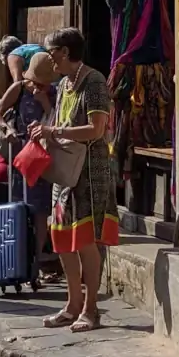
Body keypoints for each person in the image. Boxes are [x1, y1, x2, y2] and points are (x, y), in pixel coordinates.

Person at [32, 27, 118, 331]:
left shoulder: (93, 82)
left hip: (89, 173)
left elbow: (96, 130)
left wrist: (55, 132)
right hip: (64, 172)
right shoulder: (66, 84)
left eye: (51, 52)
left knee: (84, 241)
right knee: (62, 240)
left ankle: (91, 309)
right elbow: (61, 123)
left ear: (65, 53)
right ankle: (72, 304)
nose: (48, 59)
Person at [0, 48, 60, 280]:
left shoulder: (54, 93)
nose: (37, 87)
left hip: (42, 154)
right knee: (19, 204)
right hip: (20, 151)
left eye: (41, 84)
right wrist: (6, 128)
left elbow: (58, 123)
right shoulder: (19, 88)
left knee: (41, 209)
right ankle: (17, 254)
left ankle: (37, 256)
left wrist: (45, 103)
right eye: (35, 82)